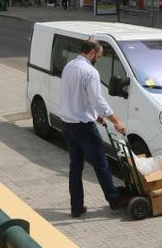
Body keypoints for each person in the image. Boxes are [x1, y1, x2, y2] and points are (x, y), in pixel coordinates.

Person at [58, 39, 128, 218]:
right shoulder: (90, 71)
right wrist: (116, 121)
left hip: (67, 123)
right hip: (83, 127)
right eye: (99, 55)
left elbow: (76, 96)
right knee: (101, 163)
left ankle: (76, 207)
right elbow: (98, 100)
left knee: (75, 167)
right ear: (91, 53)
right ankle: (114, 199)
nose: (98, 58)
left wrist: (95, 116)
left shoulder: (69, 66)